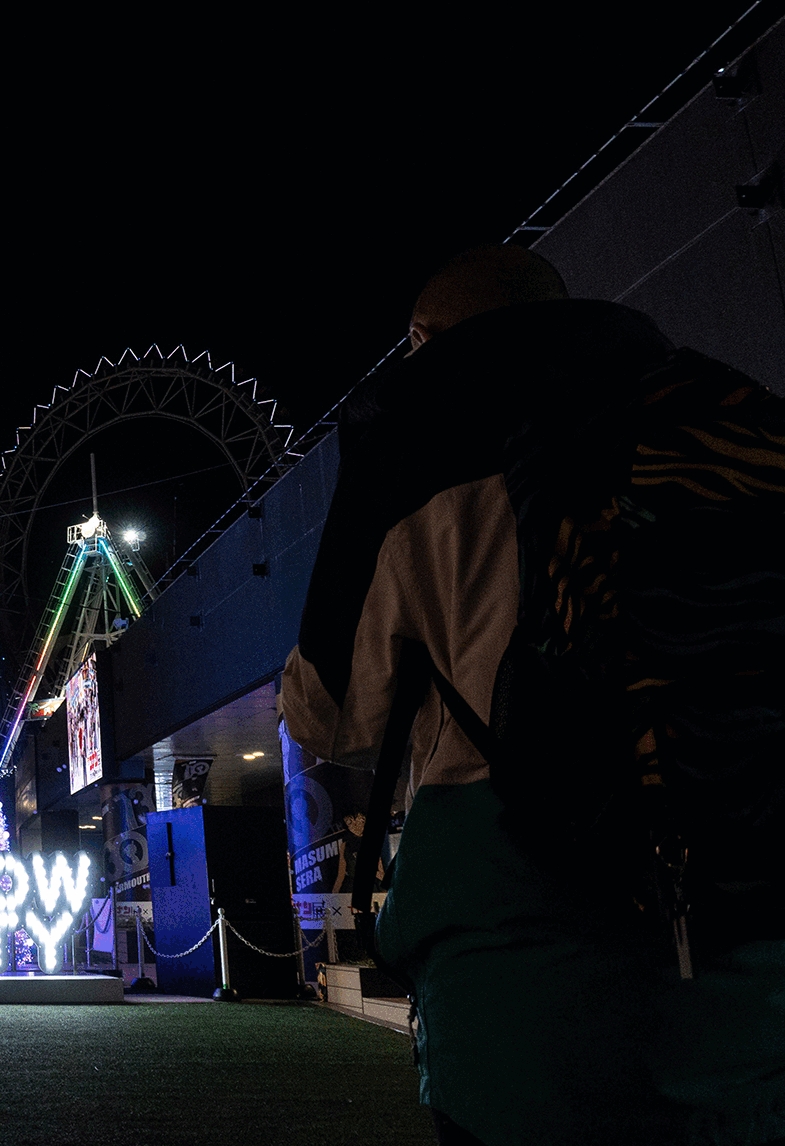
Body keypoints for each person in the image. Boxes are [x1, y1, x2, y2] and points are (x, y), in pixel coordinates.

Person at [281, 246, 785, 1145]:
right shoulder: (723, 408)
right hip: (751, 907)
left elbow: (330, 710)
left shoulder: (415, 439)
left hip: (522, 924)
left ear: (423, 340)